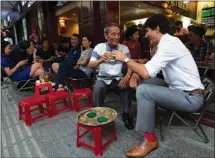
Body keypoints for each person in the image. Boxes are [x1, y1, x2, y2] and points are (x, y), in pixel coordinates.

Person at [113, 14, 204, 157]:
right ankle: (146, 113)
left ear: (157, 29)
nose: (146, 35)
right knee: (146, 83)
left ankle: (150, 141)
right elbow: (148, 68)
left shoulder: (170, 44)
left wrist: (124, 58)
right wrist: (136, 75)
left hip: (190, 97)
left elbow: (147, 72)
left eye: (147, 31)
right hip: (178, 89)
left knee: (143, 90)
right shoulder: (167, 43)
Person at [88, 23, 134, 130]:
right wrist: (101, 60)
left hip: (118, 79)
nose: (117, 37)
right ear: (106, 35)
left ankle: (126, 114)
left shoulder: (124, 48)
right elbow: (91, 65)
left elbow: (131, 65)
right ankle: (98, 113)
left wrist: (126, 77)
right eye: (113, 34)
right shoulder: (99, 47)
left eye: (118, 34)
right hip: (103, 79)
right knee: (98, 87)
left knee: (126, 86)